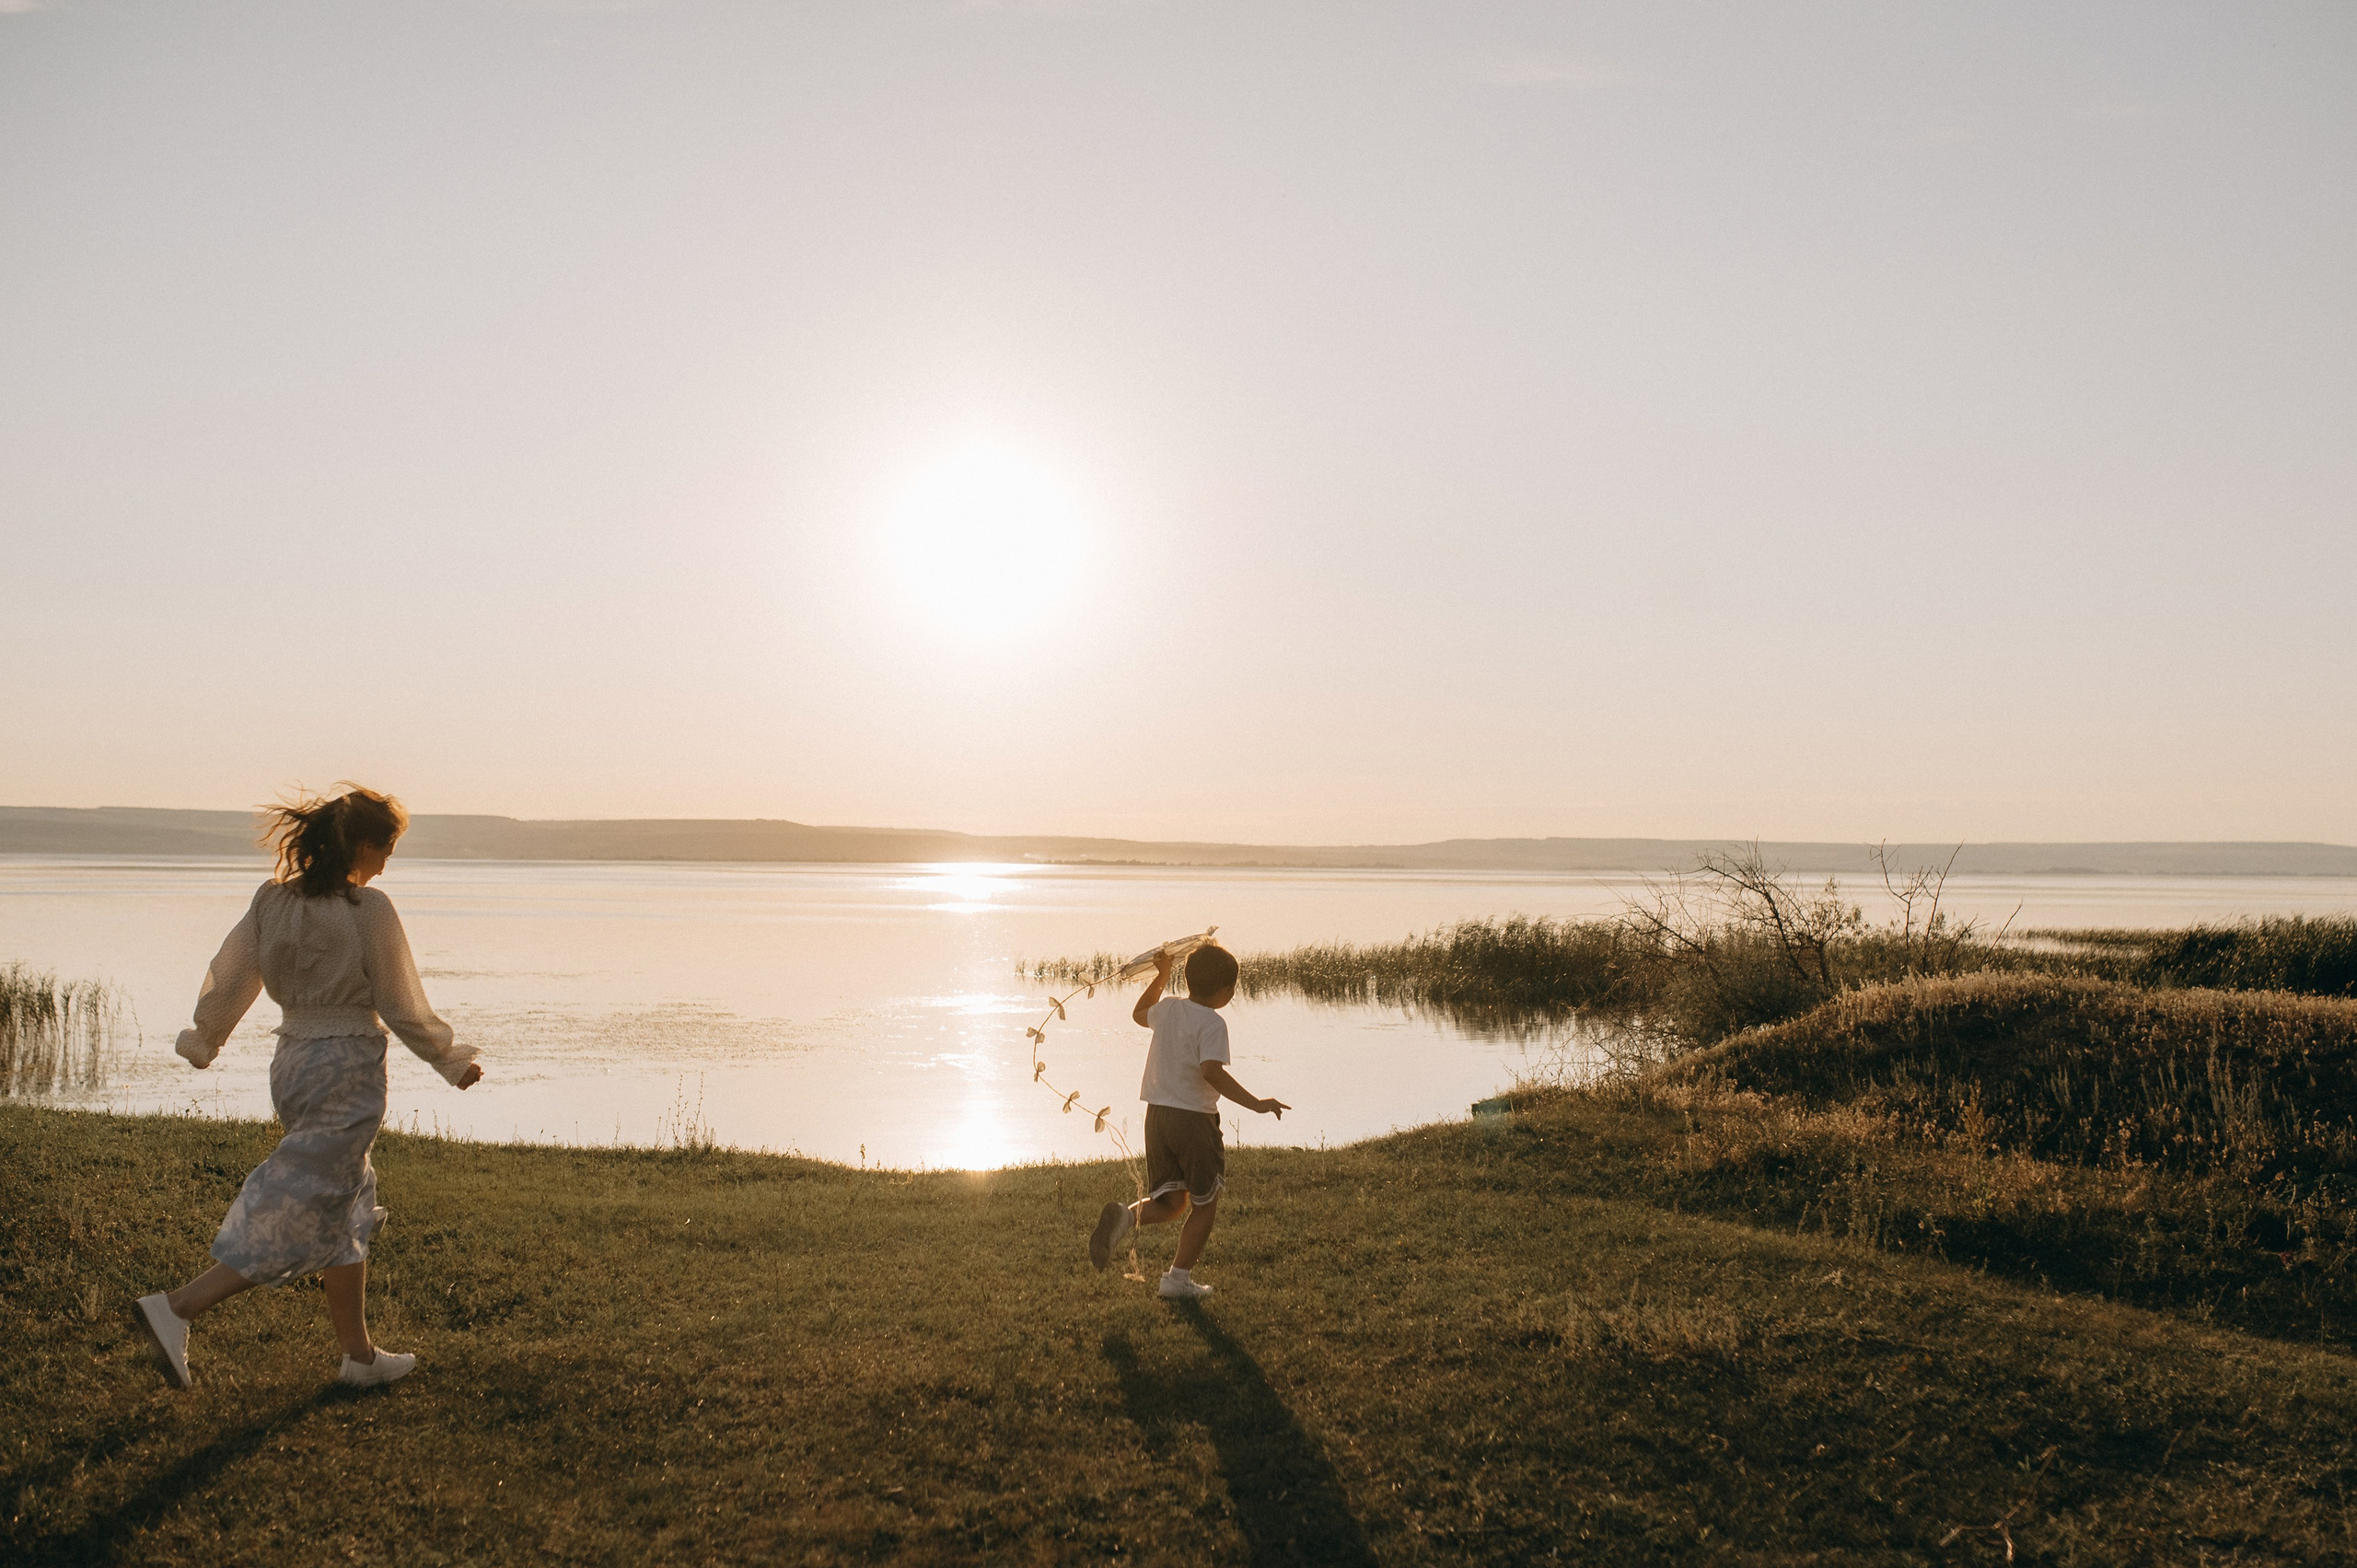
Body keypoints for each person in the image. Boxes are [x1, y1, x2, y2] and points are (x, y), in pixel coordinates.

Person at [132, 785, 482, 1390]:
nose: (387, 862)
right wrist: (450, 1058)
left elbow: (234, 975)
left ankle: (360, 1357)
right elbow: (399, 1002)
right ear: (364, 845)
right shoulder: (366, 908)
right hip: (346, 1068)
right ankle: (178, 1305)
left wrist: (205, 1037)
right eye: (387, 848)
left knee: (345, 1197)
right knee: (303, 1206)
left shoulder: (273, 900)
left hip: (291, 1063)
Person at [1088, 942, 1289, 1298]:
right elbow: (1211, 1071)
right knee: (1204, 1203)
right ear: (1227, 991)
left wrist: (1162, 976)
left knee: (1171, 1203)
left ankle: (1124, 1217)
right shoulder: (1213, 1023)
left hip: (1157, 1117)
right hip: (1193, 1122)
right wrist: (1256, 1103)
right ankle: (1177, 1280)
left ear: (1188, 978)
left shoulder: (1167, 1009)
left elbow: (1139, 1013)